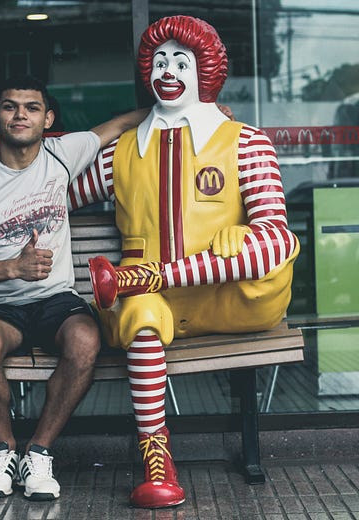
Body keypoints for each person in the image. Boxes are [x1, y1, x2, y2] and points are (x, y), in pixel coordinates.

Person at [68, 16, 300, 508]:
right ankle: (158, 458)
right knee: (140, 316)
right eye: (158, 60)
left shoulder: (246, 142)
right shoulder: (122, 153)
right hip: (151, 304)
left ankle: (146, 278)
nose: (166, 69)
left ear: (206, 69)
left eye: (181, 59)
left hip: (232, 299)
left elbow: (277, 239)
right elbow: (54, 196)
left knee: (258, 245)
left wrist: (226, 247)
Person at [0, 75, 148, 501]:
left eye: (31, 107)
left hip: (55, 301)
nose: (20, 115)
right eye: (10, 106)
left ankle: (39, 452)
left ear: (48, 118)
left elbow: (123, 123)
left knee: (87, 340)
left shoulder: (63, 154)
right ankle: (2, 450)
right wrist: (12, 267)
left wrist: (204, 112)